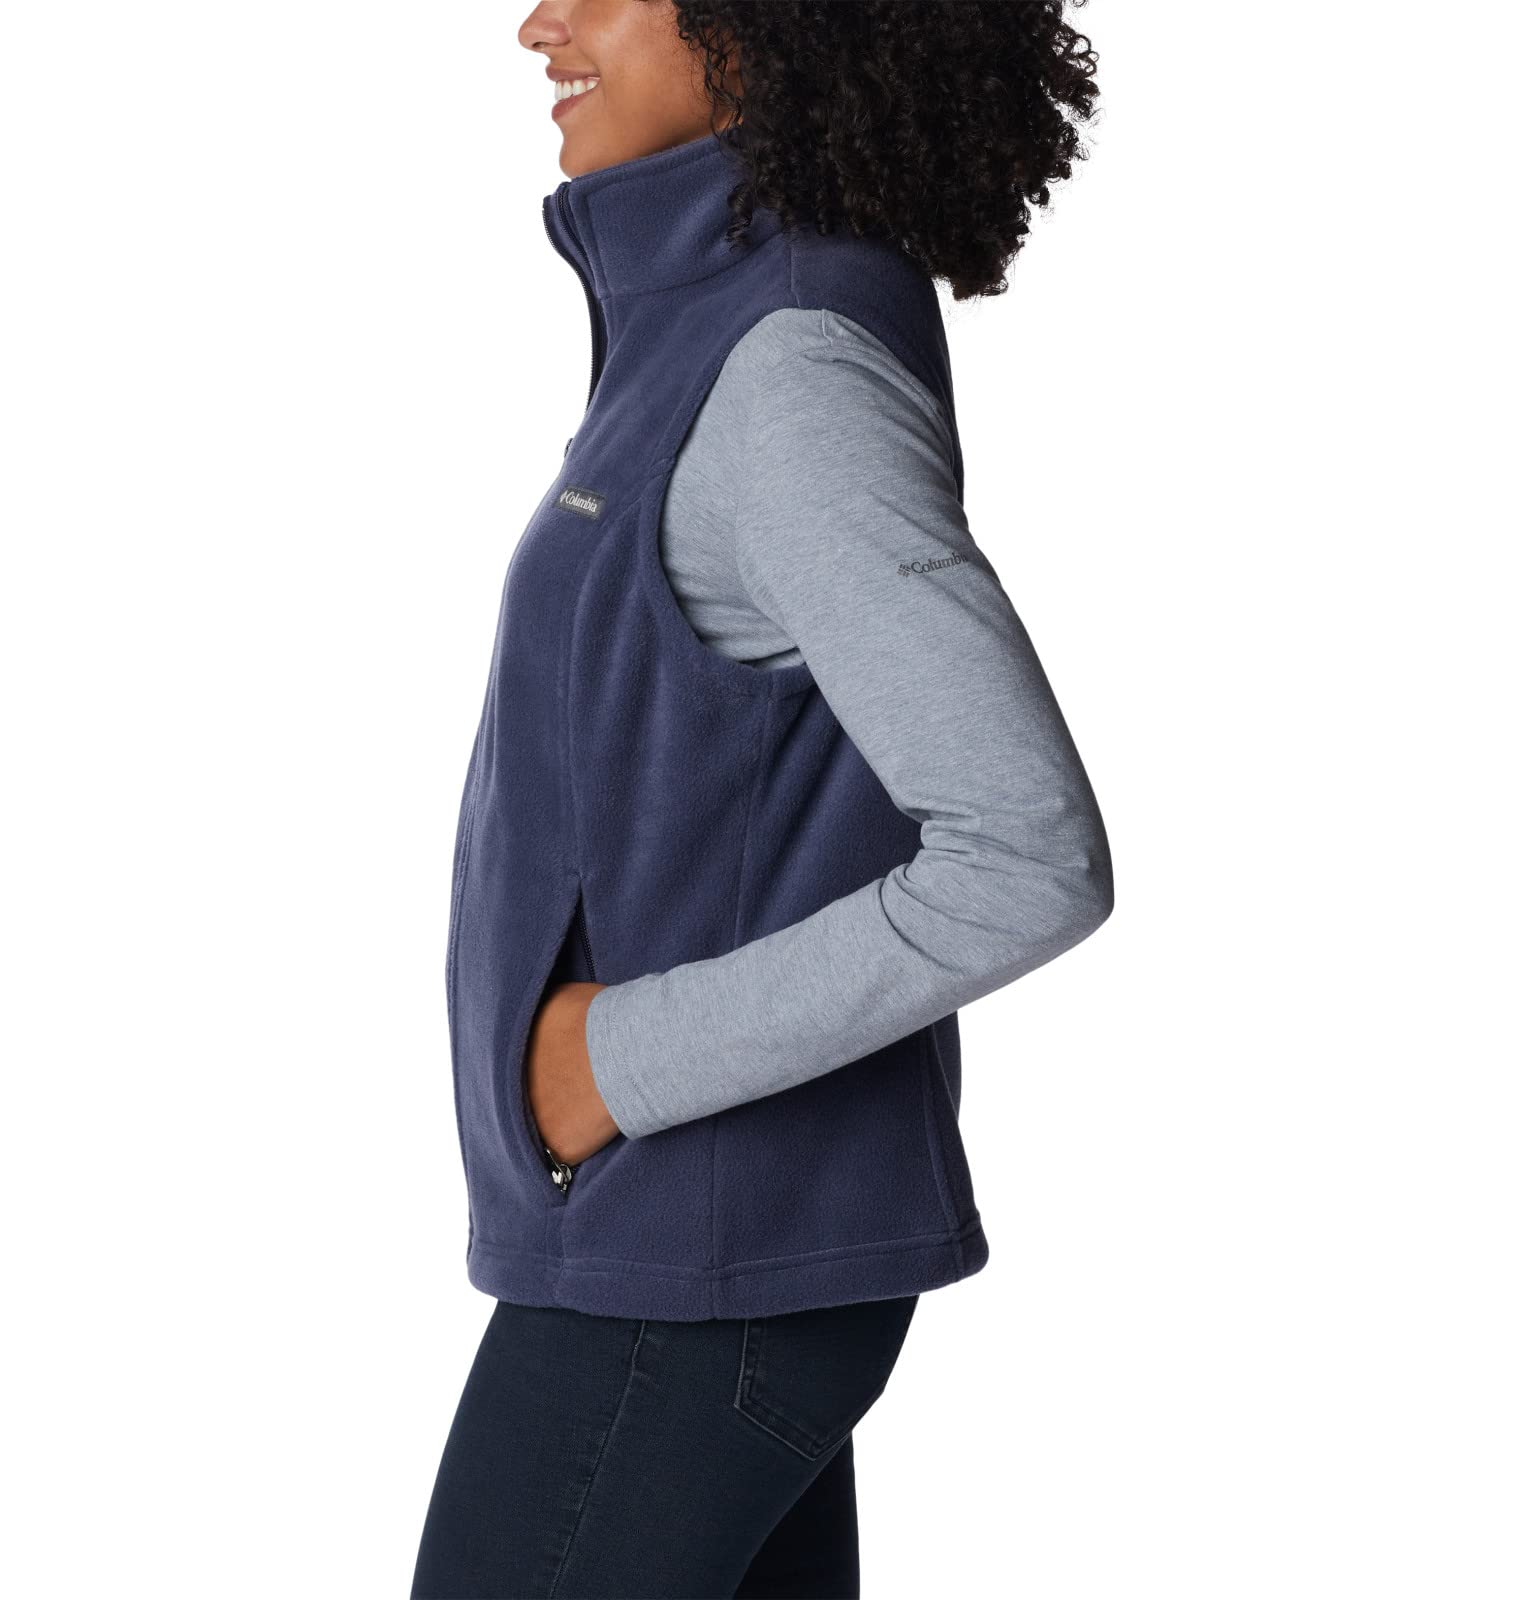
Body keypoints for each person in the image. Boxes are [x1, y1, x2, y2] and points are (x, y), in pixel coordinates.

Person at [412, 3, 1111, 1595]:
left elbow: (1028, 853)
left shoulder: (790, 369)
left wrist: (617, 1060)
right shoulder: (706, 323)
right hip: (690, 1254)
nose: (538, 24)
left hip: (690, 1269)